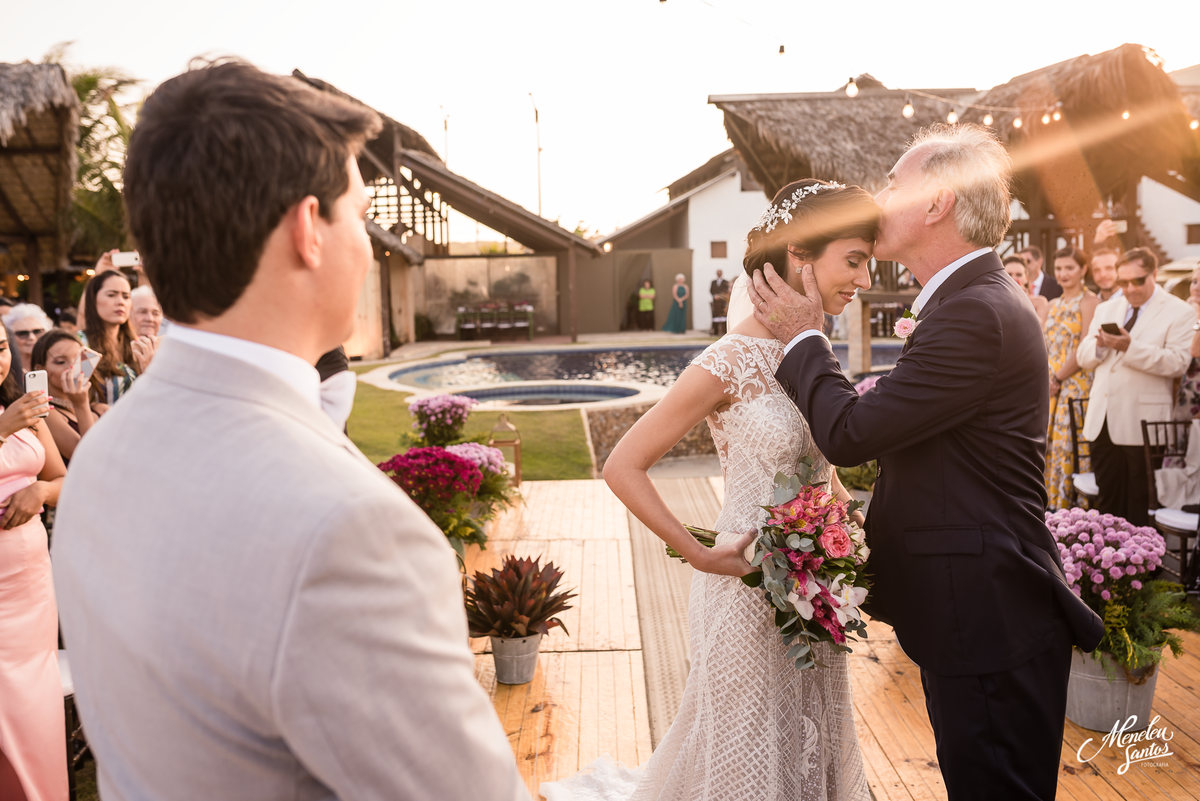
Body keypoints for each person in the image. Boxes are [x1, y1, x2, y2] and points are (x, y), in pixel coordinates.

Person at [51, 60, 527, 801]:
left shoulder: (104, 454)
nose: (371, 247)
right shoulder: (349, 529)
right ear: (310, 228)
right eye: (361, 215)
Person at [750, 123, 1102, 801]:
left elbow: (851, 433)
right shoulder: (971, 303)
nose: (879, 197)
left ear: (938, 200)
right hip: (974, 612)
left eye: (893, 183)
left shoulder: (975, 313)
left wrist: (804, 337)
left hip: (988, 616)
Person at [543, 178, 879, 801]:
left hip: (816, 585)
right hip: (742, 590)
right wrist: (699, 553)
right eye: (854, 259)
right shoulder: (727, 361)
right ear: (801, 255)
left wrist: (843, 533)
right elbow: (623, 465)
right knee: (744, 748)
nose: (865, 277)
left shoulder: (814, 346)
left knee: (812, 738)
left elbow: (818, 460)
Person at [1078, 248, 1196, 526]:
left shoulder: (1180, 311)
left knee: (1140, 502)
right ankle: (1105, 563)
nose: (1130, 288)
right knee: (1107, 499)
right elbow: (1084, 356)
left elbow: (1178, 363)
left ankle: (1143, 567)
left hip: (1142, 422)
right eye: (1123, 282)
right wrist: (1098, 345)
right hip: (1102, 418)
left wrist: (1130, 348)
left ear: (1154, 274)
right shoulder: (1106, 308)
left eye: (1138, 281)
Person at [0, 324, 68, 801]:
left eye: (0, 347)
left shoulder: (24, 404)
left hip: (30, 585)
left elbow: (64, 478)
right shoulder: (10, 416)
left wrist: (40, 490)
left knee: (32, 698)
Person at [1043, 245, 1099, 510]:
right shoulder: (1053, 304)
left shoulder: (1090, 302)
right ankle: (1051, 506)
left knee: (1069, 445)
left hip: (1075, 383)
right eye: (1058, 268)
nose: (1063, 274)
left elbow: (1085, 345)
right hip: (1050, 384)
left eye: (1069, 268)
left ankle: (1073, 509)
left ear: (1083, 270)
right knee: (1049, 446)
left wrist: (1057, 377)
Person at [79, 270, 153, 405]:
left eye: (126, 296)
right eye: (111, 295)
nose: (120, 302)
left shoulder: (137, 343)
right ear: (93, 299)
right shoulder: (82, 343)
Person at [30, 329, 98, 466]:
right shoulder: (45, 413)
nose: (72, 368)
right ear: (40, 369)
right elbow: (90, 458)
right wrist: (81, 405)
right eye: (61, 362)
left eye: (78, 360)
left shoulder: (97, 409)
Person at [1176, 266, 1200, 420]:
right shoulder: (1184, 312)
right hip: (1186, 392)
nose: (1196, 287)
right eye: (1194, 281)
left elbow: (1195, 350)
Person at [3, 303, 53, 375]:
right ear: (10, 337)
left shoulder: (54, 366)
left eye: (37, 331)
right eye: (23, 333)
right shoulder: (6, 371)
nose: (31, 338)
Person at [1002, 253, 1048, 325]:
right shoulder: (996, 300)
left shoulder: (1040, 302)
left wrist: (1023, 300)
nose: (1014, 278)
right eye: (1009, 274)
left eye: (1019, 275)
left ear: (1026, 278)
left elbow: (1042, 328)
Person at [709, 268, 730, 336]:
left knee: (723, 316)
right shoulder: (713, 282)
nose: (719, 274)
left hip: (722, 302)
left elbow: (725, 290)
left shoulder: (725, 282)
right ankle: (715, 331)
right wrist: (715, 295)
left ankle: (724, 331)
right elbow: (711, 290)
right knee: (715, 316)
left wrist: (721, 296)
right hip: (715, 302)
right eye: (718, 272)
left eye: (720, 272)